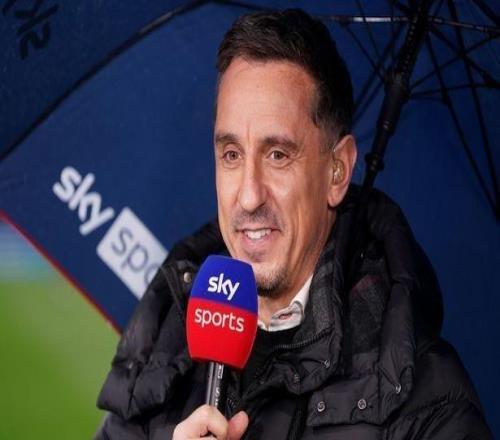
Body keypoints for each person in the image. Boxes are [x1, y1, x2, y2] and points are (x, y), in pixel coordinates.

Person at [95, 9, 492, 439]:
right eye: (232, 155)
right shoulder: (170, 339)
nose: (249, 196)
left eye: (278, 155)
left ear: (337, 171)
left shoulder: (430, 404)